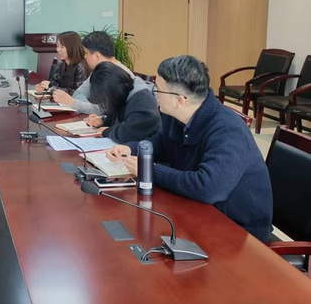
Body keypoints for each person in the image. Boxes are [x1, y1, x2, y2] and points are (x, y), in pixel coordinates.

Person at [106, 55, 273, 243]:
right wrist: (131, 149)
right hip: (197, 210)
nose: (155, 95)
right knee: (134, 231)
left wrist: (148, 170)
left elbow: (208, 188)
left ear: (179, 100)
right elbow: (162, 143)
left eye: (158, 89)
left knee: (144, 241)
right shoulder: (175, 115)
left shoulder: (228, 130)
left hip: (239, 231)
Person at [53, 30, 136, 115]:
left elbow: (105, 110)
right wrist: (89, 109)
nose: (84, 57)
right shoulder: (99, 70)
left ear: (96, 56)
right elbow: (79, 93)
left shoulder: (118, 74)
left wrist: (74, 103)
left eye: (86, 53)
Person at [85, 61, 161, 143]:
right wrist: (103, 121)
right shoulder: (124, 91)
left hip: (145, 146)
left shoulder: (143, 100)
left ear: (112, 91)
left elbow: (128, 134)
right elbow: (119, 116)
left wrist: (107, 131)